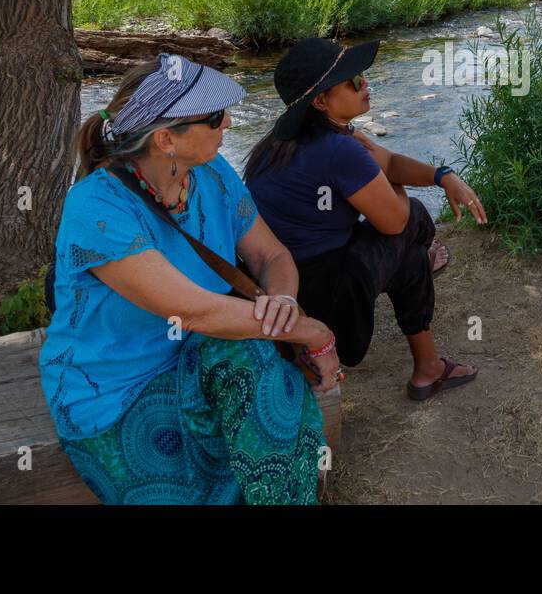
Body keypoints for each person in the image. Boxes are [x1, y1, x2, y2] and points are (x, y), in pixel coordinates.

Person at [40, 54, 336, 504]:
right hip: (120, 389)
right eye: (215, 117)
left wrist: (284, 303)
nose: (230, 123)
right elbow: (198, 312)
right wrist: (312, 332)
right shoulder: (96, 207)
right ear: (165, 140)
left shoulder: (211, 172)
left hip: (207, 357)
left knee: (251, 356)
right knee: (253, 363)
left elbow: (270, 253)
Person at [244, 38, 485, 400]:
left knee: (410, 252)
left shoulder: (281, 143)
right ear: (321, 100)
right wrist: (392, 185)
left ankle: (428, 364)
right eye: (352, 80)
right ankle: (428, 367)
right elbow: (396, 222)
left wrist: (442, 175)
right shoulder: (339, 150)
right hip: (329, 303)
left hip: (289, 289)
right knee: (413, 228)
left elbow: (387, 163)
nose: (365, 83)